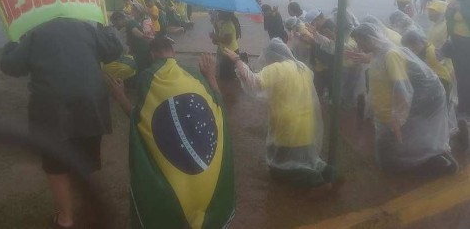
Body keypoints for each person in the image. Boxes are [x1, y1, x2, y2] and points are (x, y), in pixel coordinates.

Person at [0, 18, 123, 228]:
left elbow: (11, 66)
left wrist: (11, 45)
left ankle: (65, 219)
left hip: (50, 109)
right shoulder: (85, 27)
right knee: (85, 162)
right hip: (90, 105)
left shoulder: (36, 31)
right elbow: (114, 50)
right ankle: (91, 211)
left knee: (56, 166)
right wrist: (108, 29)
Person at [107, 37, 235, 229]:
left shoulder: (147, 77)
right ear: (173, 53)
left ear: (152, 55)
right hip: (208, 177)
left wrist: (120, 96)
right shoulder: (195, 75)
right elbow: (219, 105)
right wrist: (210, 76)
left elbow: (139, 119)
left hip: (175, 179)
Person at [222, 39, 337, 194]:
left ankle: (315, 181)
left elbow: (254, 82)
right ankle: (331, 173)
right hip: (307, 124)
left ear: (271, 56)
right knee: (309, 159)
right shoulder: (302, 67)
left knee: (280, 168)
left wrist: (237, 60)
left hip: (288, 127)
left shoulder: (277, 68)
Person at [350, 23, 457, 175]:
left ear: (369, 39)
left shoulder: (390, 54)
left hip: (405, 107)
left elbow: (402, 88)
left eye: (360, 42)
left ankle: (438, 161)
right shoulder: (378, 54)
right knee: (391, 154)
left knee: (396, 154)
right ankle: (430, 157)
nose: (359, 47)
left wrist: (398, 117)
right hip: (389, 111)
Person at [445, 0, 470, 145]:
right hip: (457, 42)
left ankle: (465, 109)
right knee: (461, 77)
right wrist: (450, 9)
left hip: (467, 43)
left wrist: (459, 7)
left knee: (466, 76)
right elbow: (449, 20)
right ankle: (463, 107)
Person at [111, 4, 154, 73]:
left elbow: (135, 31)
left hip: (141, 52)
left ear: (120, 20)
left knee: (141, 71)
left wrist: (145, 37)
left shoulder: (130, 22)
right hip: (138, 52)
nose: (115, 26)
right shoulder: (128, 25)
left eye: (115, 23)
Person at [210, 11, 242, 83]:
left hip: (230, 53)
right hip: (227, 52)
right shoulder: (223, 24)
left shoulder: (228, 25)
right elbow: (222, 38)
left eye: (219, 14)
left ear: (224, 15)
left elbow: (227, 40)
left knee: (227, 76)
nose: (218, 15)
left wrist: (215, 37)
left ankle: (230, 91)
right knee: (225, 74)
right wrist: (216, 40)